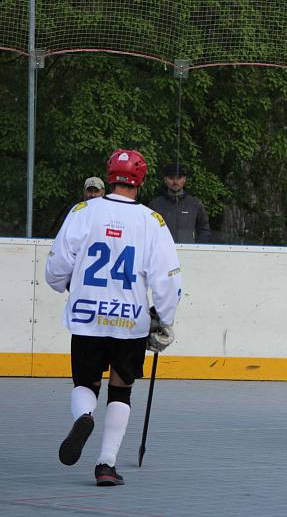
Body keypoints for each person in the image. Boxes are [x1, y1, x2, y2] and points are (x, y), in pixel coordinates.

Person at [45, 149, 182, 487]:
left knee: (85, 383)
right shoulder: (152, 221)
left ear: (109, 176)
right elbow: (167, 277)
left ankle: (84, 416)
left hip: (87, 315)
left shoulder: (82, 212)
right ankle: (106, 465)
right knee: (121, 391)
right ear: (141, 179)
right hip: (129, 320)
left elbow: (58, 265)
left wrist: (63, 284)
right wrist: (164, 317)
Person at [148, 163, 211, 243]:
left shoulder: (195, 204)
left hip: (188, 252)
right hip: (162, 253)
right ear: (165, 180)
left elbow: (204, 230)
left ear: (184, 179)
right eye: (171, 178)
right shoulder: (155, 205)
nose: (175, 182)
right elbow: (148, 231)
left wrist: (197, 250)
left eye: (179, 178)